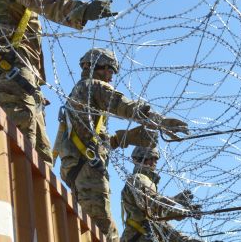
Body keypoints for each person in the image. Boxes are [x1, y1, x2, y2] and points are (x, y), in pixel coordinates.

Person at [0, 0, 115, 164]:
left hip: (15, 73)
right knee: (23, 154)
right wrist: (80, 11)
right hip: (12, 71)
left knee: (39, 161)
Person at [56, 48, 189, 241]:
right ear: (91, 66)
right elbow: (123, 105)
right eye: (108, 69)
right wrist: (160, 120)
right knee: (104, 232)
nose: (110, 76)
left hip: (82, 169)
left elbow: (91, 139)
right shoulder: (92, 86)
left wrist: (125, 138)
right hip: (88, 171)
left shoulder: (79, 94)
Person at [121, 146, 203, 242]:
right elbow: (153, 205)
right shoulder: (139, 178)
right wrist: (177, 202)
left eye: (155, 159)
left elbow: (165, 226)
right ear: (138, 160)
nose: (153, 162)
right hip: (139, 236)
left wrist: (185, 211)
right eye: (149, 158)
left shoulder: (148, 182)